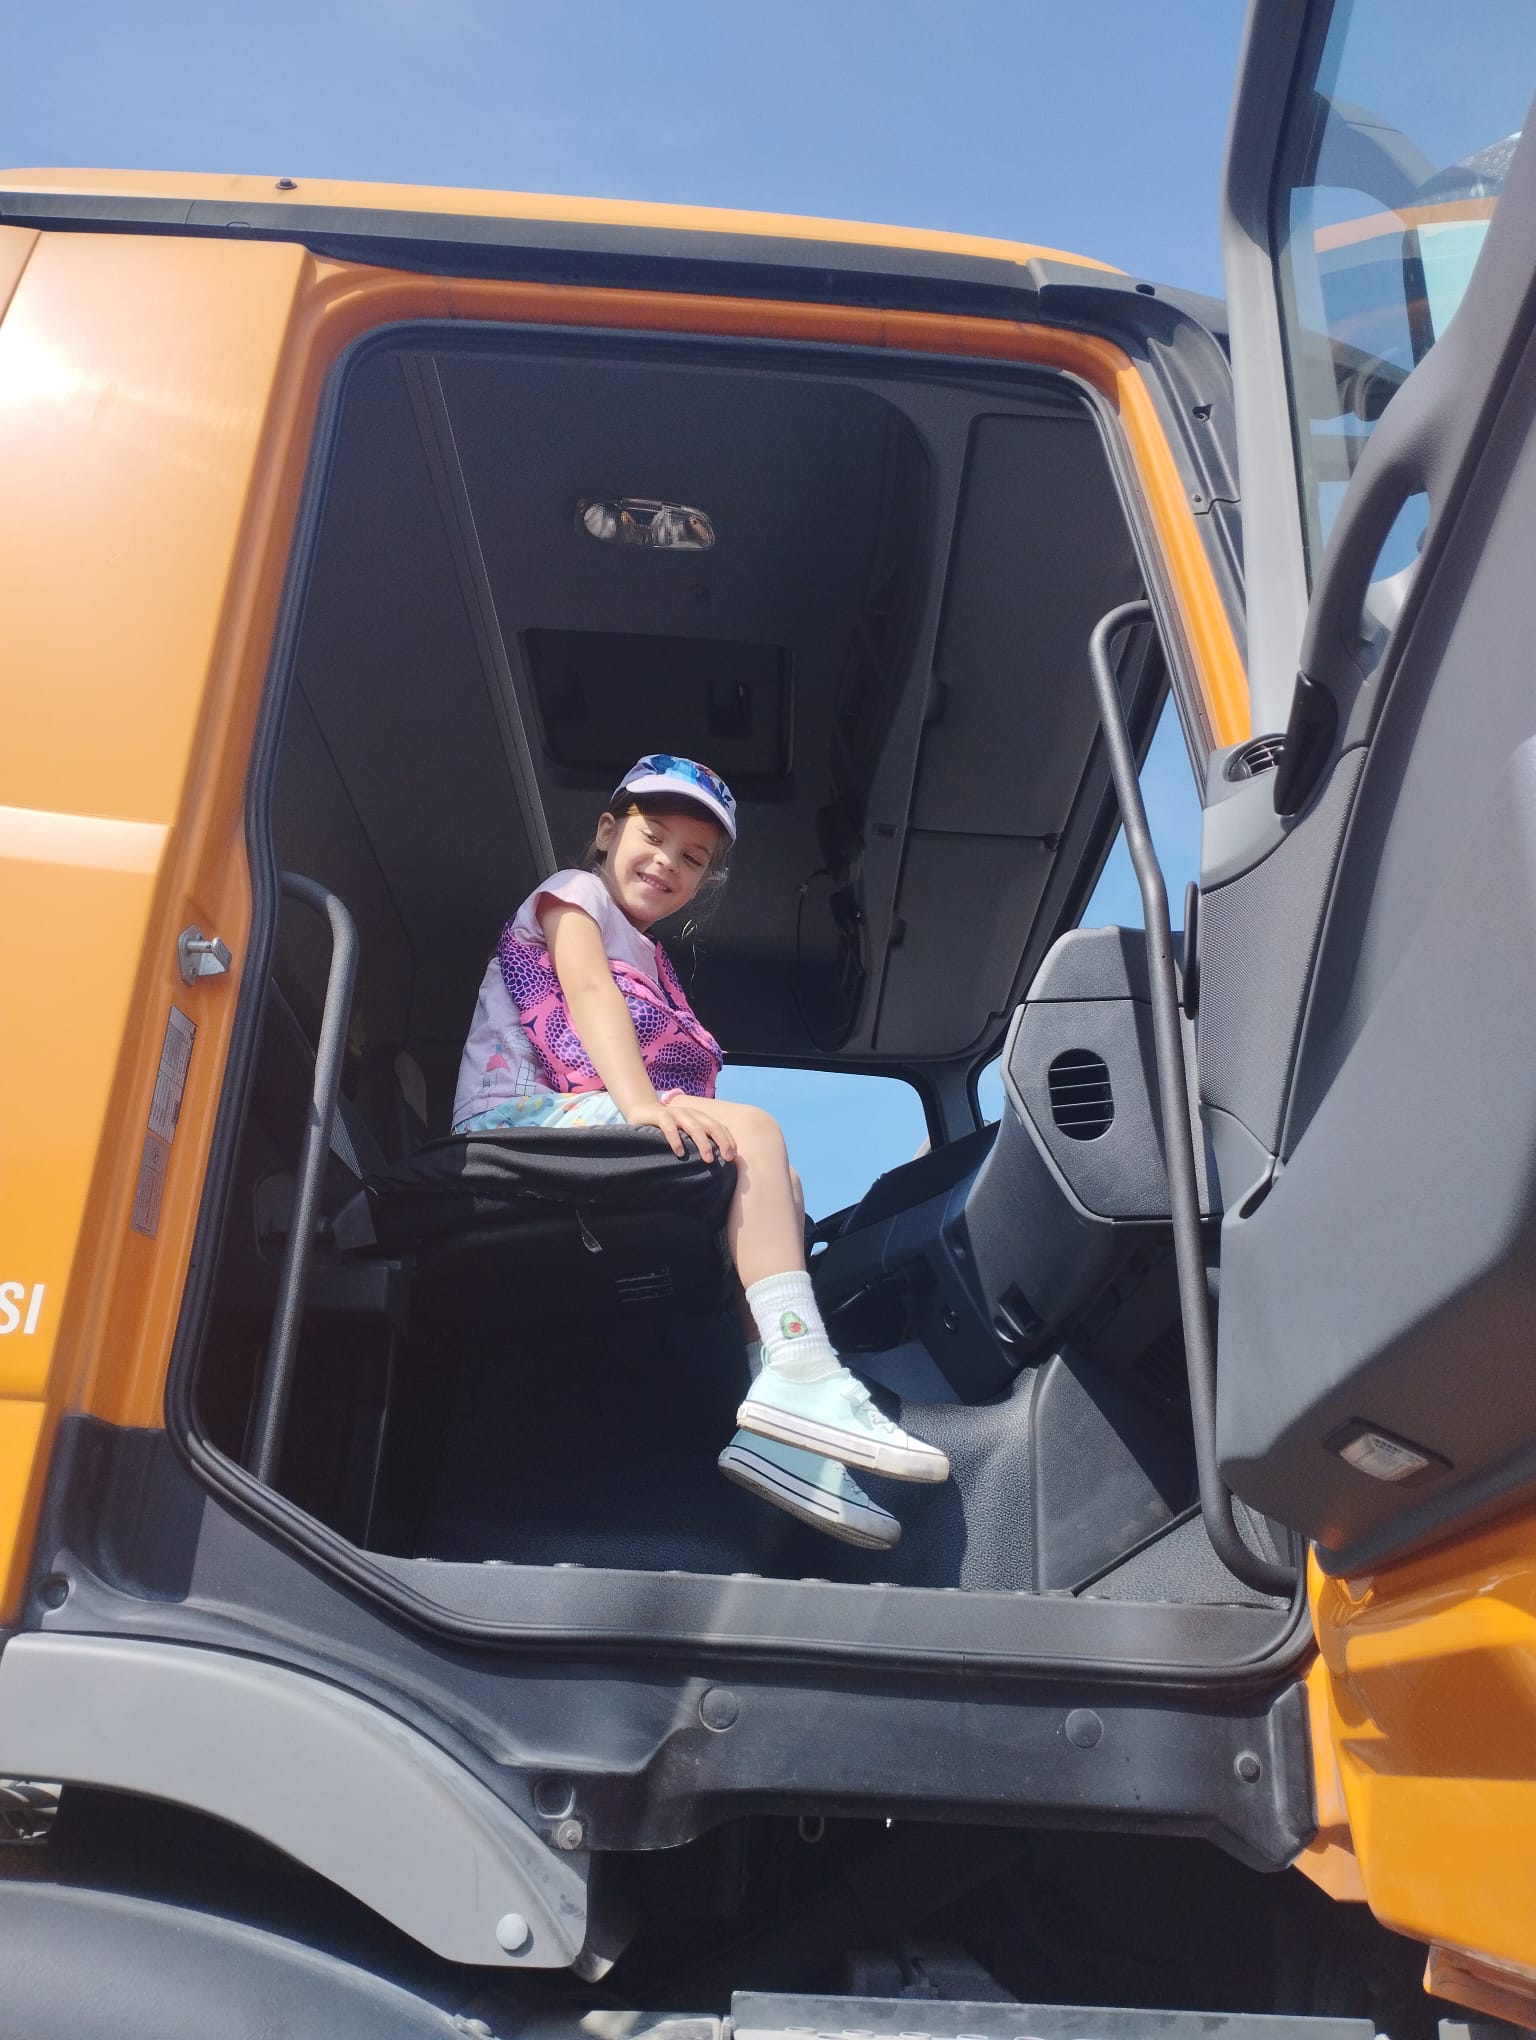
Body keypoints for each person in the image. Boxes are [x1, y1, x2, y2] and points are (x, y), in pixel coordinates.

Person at [451, 753, 950, 1550]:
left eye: (693, 858)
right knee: (754, 1129)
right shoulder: (573, 894)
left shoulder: (654, 960)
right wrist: (644, 1107)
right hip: (516, 1117)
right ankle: (805, 1372)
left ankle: (781, 1421)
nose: (667, 863)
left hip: (583, 1114)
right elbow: (587, 996)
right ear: (608, 831)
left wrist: (660, 1107)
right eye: (653, 836)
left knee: (779, 1176)